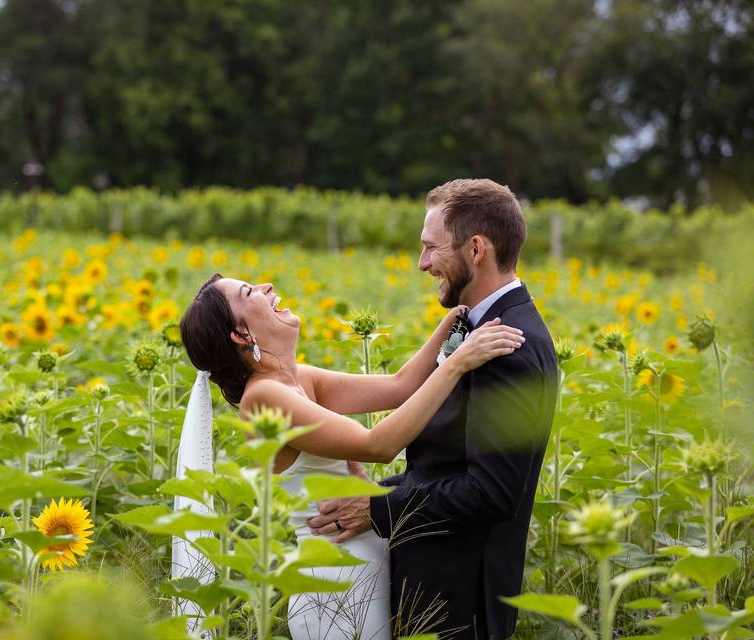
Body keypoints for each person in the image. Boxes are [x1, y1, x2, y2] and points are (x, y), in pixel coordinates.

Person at [179, 254, 526, 637]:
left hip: (361, 570)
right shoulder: (264, 399)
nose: (267, 287)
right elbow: (378, 445)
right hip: (331, 585)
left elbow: (399, 387)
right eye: (250, 292)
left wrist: (455, 322)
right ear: (242, 335)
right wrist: (457, 363)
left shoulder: (299, 379)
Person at [306, 179, 558, 639]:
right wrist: (377, 494)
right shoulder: (475, 329)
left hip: (461, 603)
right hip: (434, 585)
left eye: (430, 248)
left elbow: (491, 491)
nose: (422, 264)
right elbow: (445, 466)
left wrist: (379, 511)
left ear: (476, 248)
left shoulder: (511, 347)